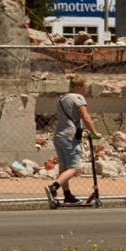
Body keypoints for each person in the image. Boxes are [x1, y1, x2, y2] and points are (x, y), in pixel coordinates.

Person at [45, 74, 101, 205]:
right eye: (84, 89)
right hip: (70, 137)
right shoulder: (78, 98)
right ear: (78, 87)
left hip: (59, 136)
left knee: (63, 167)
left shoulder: (62, 98)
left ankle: (67, 195)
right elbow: (86, 118)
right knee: (74, 168)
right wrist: (94, 133)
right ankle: (53, 187)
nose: (84, 92)